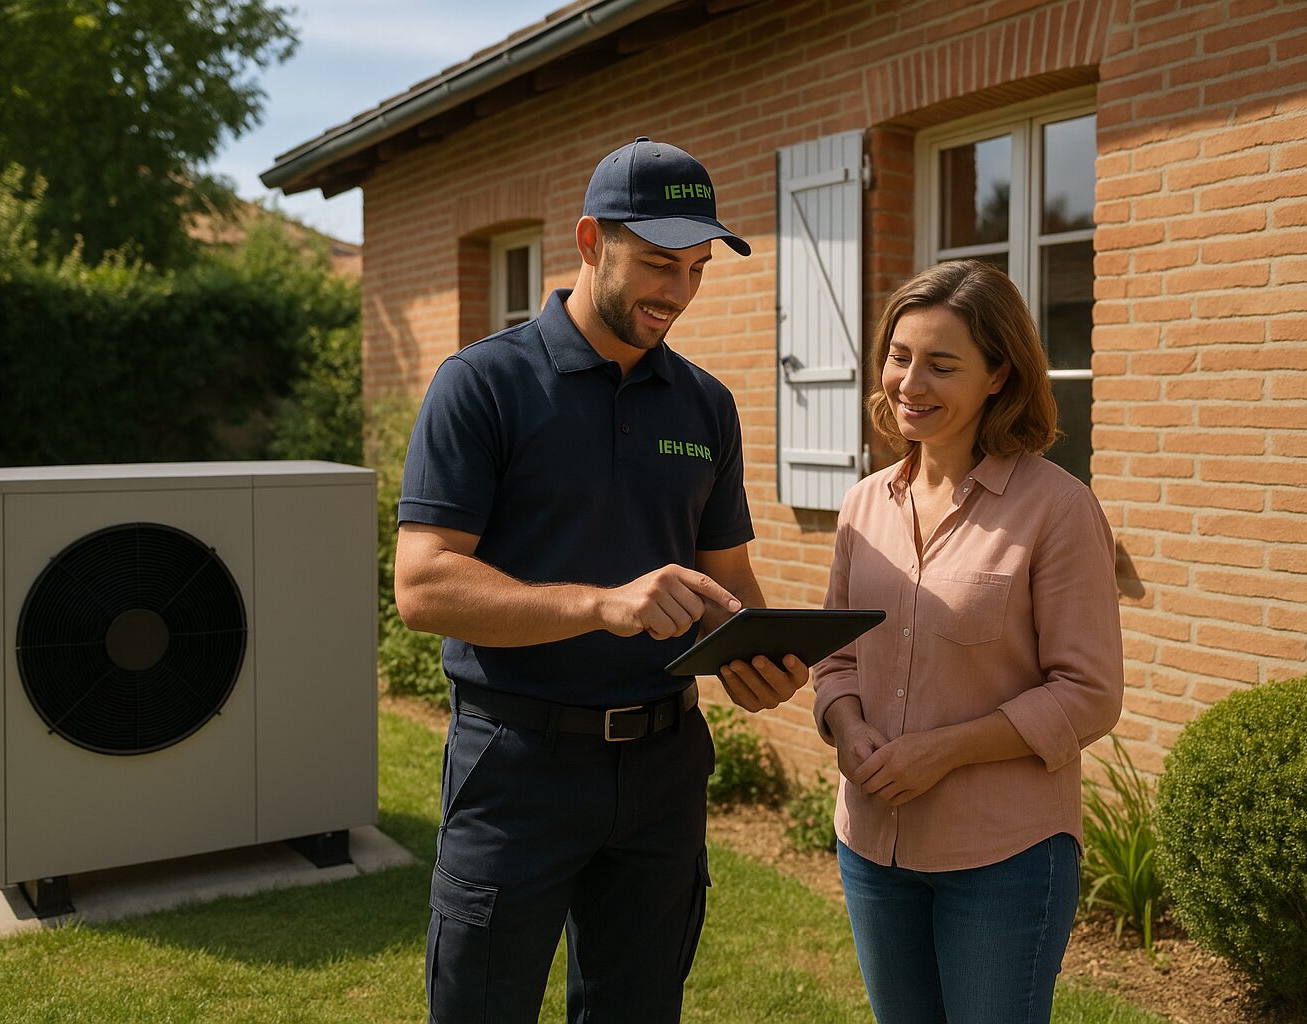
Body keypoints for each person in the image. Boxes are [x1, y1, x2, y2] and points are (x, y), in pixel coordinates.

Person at [394, 137, 809, 1024]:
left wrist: (756, 654)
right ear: (590, 240)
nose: (679, 293)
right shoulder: (483, 385)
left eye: (697, 269)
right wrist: (600, 606)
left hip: (663, 767)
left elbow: (727, 576)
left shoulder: (706, 404)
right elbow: (423, 586)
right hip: (516, 766)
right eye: (659, 264)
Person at [811, 259, 1124, 1023]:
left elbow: (1089, 693)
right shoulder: (862, 505)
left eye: (941, 365)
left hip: (1004, 860)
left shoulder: (1057, 509)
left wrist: (943, 750)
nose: (909, 383)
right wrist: (847, 728)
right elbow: (836, 656)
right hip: (872, 849)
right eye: (900, 356)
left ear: (998, 376)